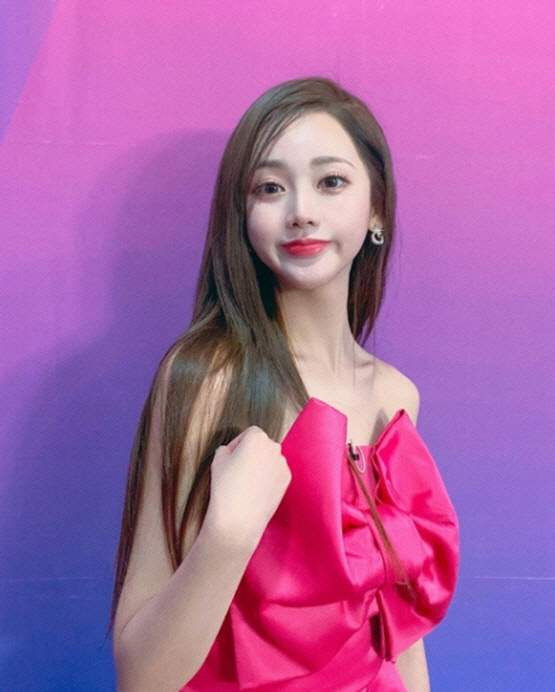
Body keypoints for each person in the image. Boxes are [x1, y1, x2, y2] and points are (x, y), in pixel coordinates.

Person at [108, 76, 460, 691]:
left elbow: (400, 636)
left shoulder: (396, 398)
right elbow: (142, 677)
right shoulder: (207, 378)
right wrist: (229, 534)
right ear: (242, 215)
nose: (301, 210)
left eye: (331, 182)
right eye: (270, 187)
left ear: (377, 207)